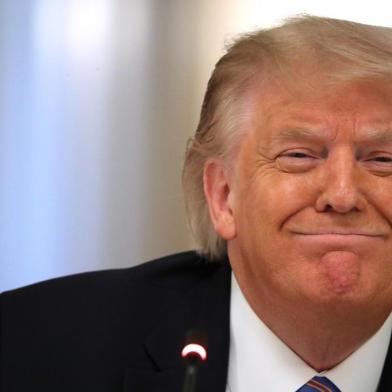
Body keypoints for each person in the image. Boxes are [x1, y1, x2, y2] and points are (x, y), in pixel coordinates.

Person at [2, 14, 392, 392]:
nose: (342, 196)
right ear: (223, 197)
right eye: (299, 156)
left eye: (383, 160)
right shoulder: (28, 345)